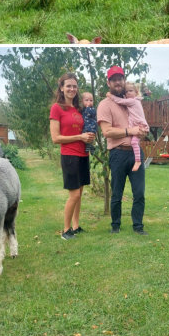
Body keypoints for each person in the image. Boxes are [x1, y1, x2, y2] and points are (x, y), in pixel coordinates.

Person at [97, 66, 150, 235]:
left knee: (139, 192)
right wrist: (129, 131)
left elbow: (140, 122)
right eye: (114, 79)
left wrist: (142, 131)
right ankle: (115, 225)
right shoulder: (105, 105)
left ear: (124, 80)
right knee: (117, 193)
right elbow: (106, 132)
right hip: (118, 153)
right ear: (109, 83)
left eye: (120, 78)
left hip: (135, 153)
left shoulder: (131, 99)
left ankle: (138, 226)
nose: (118, 82)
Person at [49, 72, 95, 240]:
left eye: (74, 86)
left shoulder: (78, 109)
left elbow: (84, 129)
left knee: (80, 193)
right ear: (61, 88)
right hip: (69, 156)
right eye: (68, 85)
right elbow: (55, 138)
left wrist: (89, 136)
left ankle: (75, 226)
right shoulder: (57, 108)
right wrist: (79, 137)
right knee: (74, 194)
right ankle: (66, 230)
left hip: (83, 154)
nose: (72, 89)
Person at [112, 81, 151, 170]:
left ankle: (138, 161)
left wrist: (111, 96)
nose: (128, 93)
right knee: (135, 142)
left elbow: (120, 101)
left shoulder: (132, 101)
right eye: (126, 91)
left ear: (136, 92)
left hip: (140, 126)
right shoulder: (135, 101)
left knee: (133, 142)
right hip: (139, 126)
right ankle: (137, 159)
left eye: (130, 91)